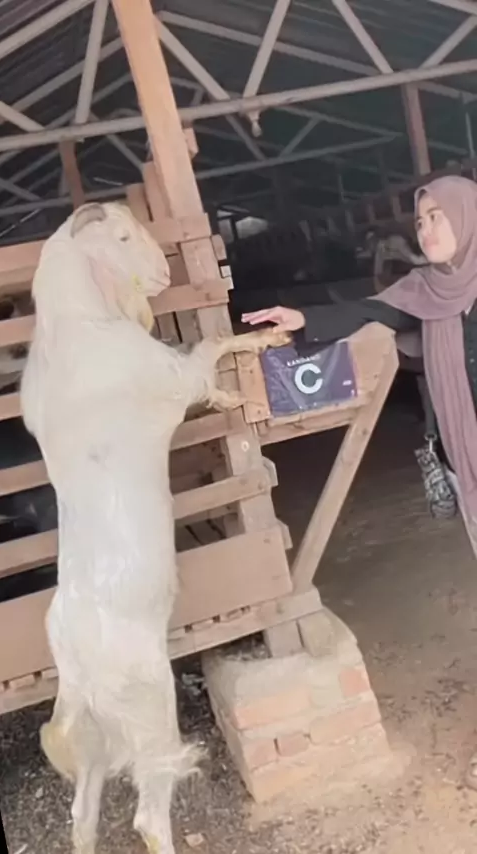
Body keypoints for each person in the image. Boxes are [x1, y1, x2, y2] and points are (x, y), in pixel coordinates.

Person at [242, 175, 477, 791]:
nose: (425, 228)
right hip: (469, 467)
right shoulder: (425, 291)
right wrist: (301, 318)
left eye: (437, 216)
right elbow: (368, 311)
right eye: (420, 219)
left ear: (466, 216)